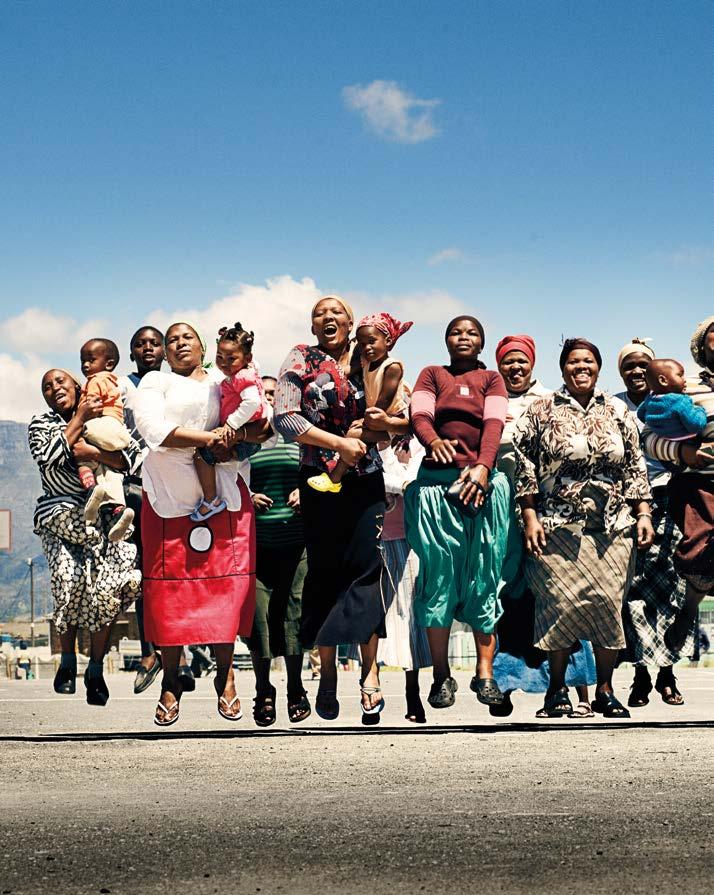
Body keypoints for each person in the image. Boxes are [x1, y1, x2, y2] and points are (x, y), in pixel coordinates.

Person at [132, 321, 270, 726]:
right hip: (168, 497)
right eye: (171, 339)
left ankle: (226, 676)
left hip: (224, 497)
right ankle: (170, 680)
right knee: (169, 594)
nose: (179, 343)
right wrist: (211, 440)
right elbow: (154, 432)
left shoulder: (222, 379)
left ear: (202, 346)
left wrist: (238, 437)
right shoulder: (155, 382)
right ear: (164, 351)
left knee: (225, 590)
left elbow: (262, 424)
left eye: (187, 337)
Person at [512, 338, 654, 719]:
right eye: (573, 362)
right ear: (563, 368)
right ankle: (557, 688)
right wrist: (529, 515)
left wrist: (643, 513)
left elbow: (635, 465)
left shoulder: (617, 410)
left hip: (613, 526)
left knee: (608, 604)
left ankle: (605, 689)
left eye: (588, 361)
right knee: (560, 603)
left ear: (598, 367)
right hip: (556, 525)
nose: (581, 367)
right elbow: (524, 464)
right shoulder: (541, 409)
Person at [273, 295, 387, 724]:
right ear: (312, 325)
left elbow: (395, 410)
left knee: (367, 571)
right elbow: (285, 417)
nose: (328, 317)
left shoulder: (369, 355)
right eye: (320, 313)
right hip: (317, 478)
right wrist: (338, 443)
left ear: (351, 322)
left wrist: (376, 430)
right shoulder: (300, 357)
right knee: (324, 573)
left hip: (366, 478)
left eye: (337, 311)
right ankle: (327, 674)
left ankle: (370, 673)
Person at [404, 315, 515, 711]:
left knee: (485, 578)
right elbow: (420, 415)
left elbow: (493, 424)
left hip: (483, 488)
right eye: (456, 331)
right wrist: (432, 442)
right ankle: (441, 676)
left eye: (472, 332)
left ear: (482, 342)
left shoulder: (492, 379)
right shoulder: (432, 374)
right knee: (439, 581)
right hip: (436, 490)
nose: (463, 337)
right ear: (446, 340)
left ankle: (485, 674)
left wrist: (484, 468)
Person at [491, 334, 596, 719]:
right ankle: (504, 683)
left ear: (533, 363)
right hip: (502, 515)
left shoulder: (553, 400)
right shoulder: (490, 400)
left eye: (522, 360)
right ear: (499, 365)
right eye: (508, 360)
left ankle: (577, 691)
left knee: (561, 595)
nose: (515, 367)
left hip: (549, 513)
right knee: (508, 597)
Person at [29, 368, 141, 705]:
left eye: (60, 381)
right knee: (68, 580)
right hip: (60, 515)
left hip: (105, 518)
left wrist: (91, 453)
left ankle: (95, 669)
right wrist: (79, 418)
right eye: (47, 386)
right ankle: (67, 662)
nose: (54, 388)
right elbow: (49, 456)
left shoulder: (104, 417)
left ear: (78, 385)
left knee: (106, 591)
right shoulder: (41, 424)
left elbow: (128, 459)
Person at [616, 339, 694, 707]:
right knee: (634, 589)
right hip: (628, 505)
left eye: (642, 365)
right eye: (628, 366)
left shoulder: (675, 400)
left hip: (671, 495)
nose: (636, 371)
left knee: (672, 584)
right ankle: (641, 675)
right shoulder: (615, 405)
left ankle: (667, 673)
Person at [642, 316, 714, 654]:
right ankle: (688, 610)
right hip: (699, 484)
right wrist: (682, 452)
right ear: (702, 346)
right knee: (698, 552)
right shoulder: (684, 388)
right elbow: (648, 439)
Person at [245, 374, 310, 726]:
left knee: (293, 615)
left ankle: (296, 687)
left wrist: (305, 490)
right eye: (264, 394)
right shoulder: (246, 441)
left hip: (297, 545)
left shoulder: (299, 437)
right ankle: (263, 689)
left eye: (275, 394)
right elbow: (229, 479)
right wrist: (248, 496)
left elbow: (319, 472)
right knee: (259, 620)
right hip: (256, 547)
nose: (270, 400)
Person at [307, 311, 412, 493]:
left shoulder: (392, 367)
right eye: (362, 344)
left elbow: (384, 399)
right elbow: (345, 371)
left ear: (387, 341)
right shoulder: (366, 362)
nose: (367, 347)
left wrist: (366, 420)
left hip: (388, 417)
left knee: (353, 435)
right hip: (374, 417)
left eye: (372, 341)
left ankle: (334, 478)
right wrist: (322, 374)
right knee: (356, 439)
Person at [193, 323, 269, 521]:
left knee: (202, 456)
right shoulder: (243, 371)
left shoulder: (242, 377)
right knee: (226, 462)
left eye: (231, 358)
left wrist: (231, 425)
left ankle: (211, 500)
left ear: (247, 358)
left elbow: (253, 402)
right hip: (245, 437)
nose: (224, 363)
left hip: (246, 436)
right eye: (219, 357)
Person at [379, 438, 432, 722]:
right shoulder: (368, 440)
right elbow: (377, 480)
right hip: (373, 537)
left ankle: (413, 691)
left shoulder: (419, 445)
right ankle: (370, 687)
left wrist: (398, 481)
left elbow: (416, 481)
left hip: (412, 539)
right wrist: (400, 484)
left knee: (411, 617)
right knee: (372, 615)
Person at [78, 338, 134, 541]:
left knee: (78, 448)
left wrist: (78, 420)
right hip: (117, 429)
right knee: (109, 473)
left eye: (91, 360)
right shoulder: (112, 381)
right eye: (83, 361)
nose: (85, 365)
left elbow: (91, 405)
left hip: (103, 424)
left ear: (109, 363)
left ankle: (90, 488)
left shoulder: (95, 380)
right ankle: (119, 510)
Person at [637, 359, 707, 441]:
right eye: (680, 375)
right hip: (688, 439)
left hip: (664, 438)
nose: (684, 380)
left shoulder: (649, 399)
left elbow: (640, 414)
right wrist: (701, 410)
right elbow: (696, 425)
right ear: (663, 381)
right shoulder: (680, 401)